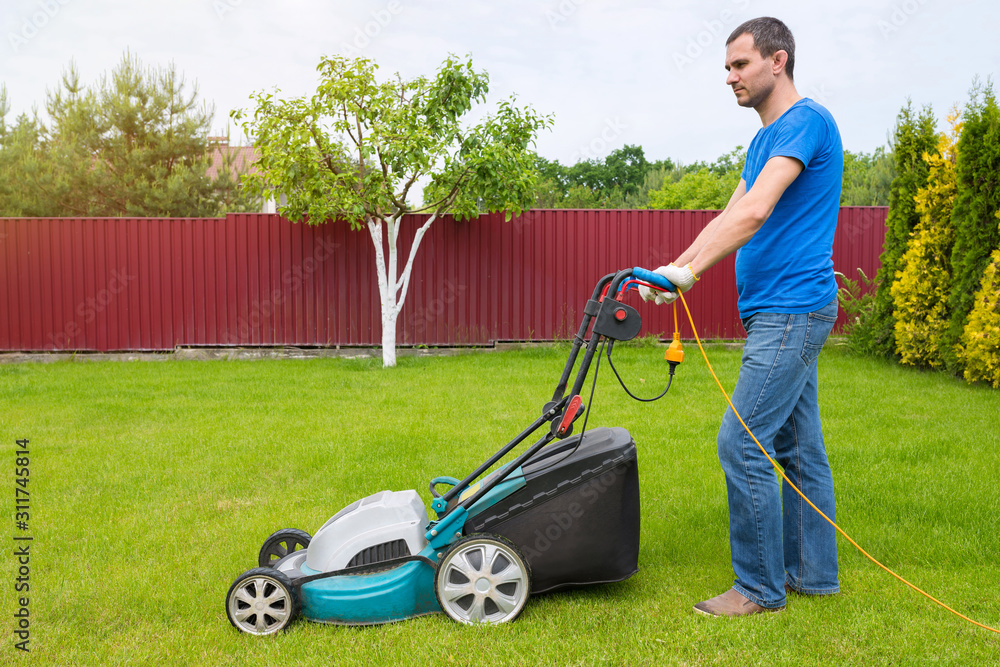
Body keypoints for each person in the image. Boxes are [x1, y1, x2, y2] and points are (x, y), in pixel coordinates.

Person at [640, 17, 843, 616]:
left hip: (792, 309)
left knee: (742, 441)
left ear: (777, 61)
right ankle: (813, 574)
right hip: (775, 312)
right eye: (727, 67)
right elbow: (728, 216)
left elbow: (755, 212)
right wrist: (676, 269)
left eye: (740, 64)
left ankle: (758, 587)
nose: (729, 76)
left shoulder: (806, 122)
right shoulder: (763, 140)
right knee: (799, 449)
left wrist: (692, 271)